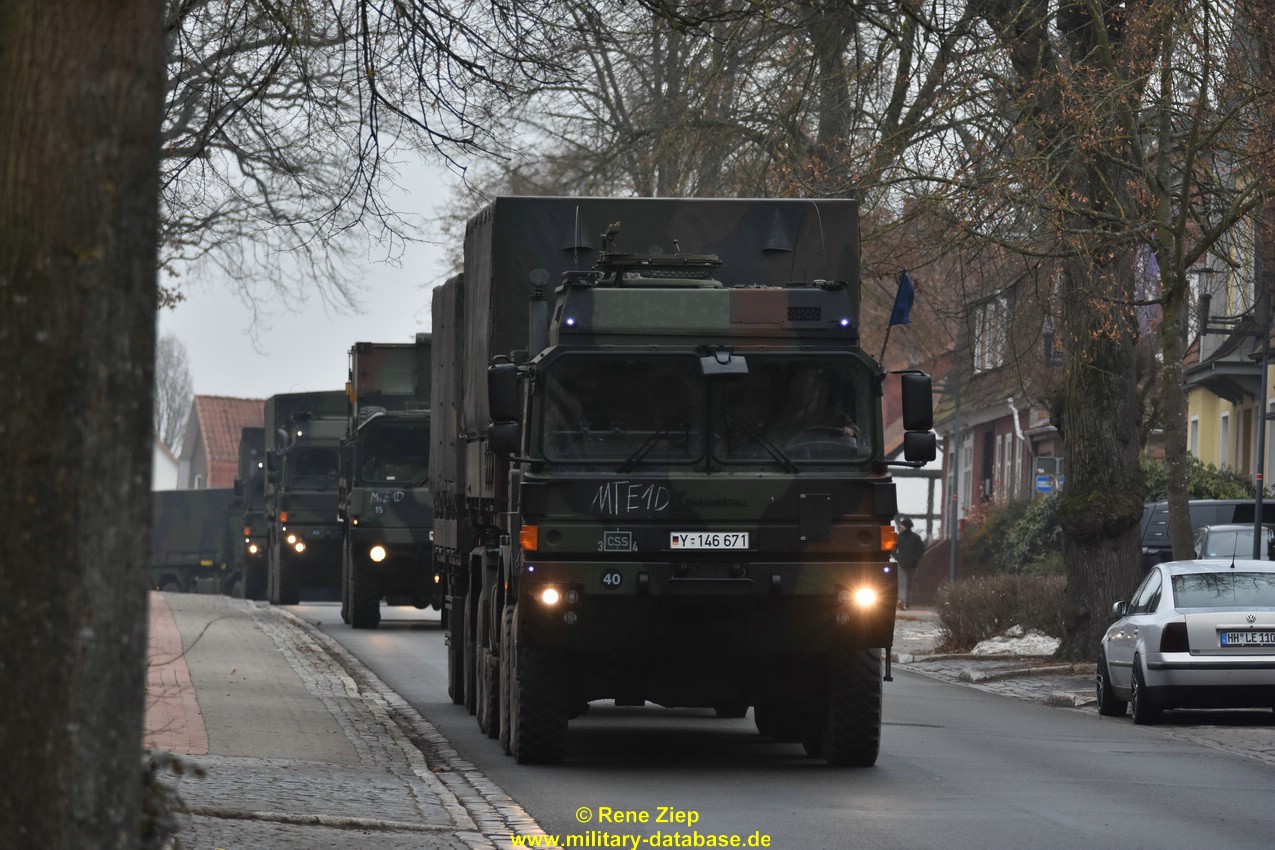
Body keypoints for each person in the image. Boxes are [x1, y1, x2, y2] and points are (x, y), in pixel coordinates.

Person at [894, 516, 924, 610]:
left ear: (906, 526)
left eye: (902, 525)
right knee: (908, 585)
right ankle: (905, 603)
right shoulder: (916, 537)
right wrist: (915, 558)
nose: (900, 526)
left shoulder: (899, 537)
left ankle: (904, 602)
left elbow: (892, 549)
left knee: (903, 584)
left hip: (904, 564)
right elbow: (921, 549)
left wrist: (898, 557)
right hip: (912, 565)